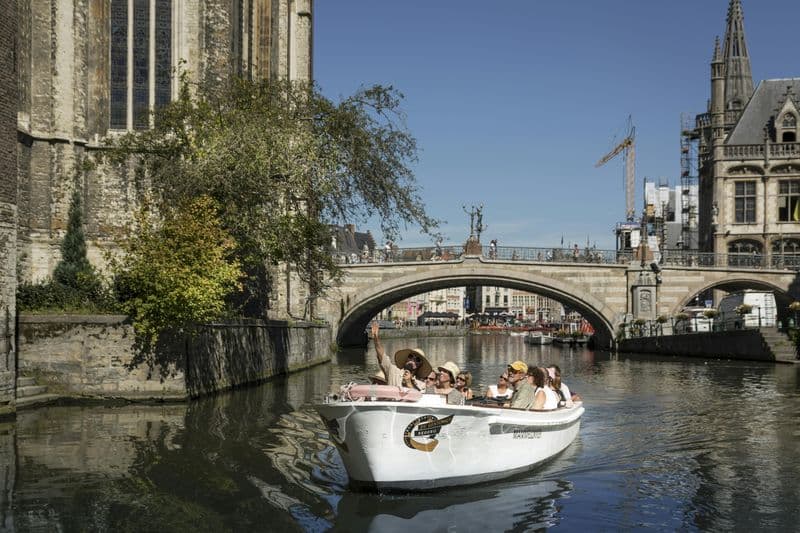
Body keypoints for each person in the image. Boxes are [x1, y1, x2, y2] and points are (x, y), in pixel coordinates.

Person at [370, 321, 430, 389]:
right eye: (411, 356)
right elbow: (382, 356)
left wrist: (408, 382)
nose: (412, 360)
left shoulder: (421, 384)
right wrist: (376, 339)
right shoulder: (393, 370)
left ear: (420, 365)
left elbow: (418, 397)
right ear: (407, 358)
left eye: (417, 359)